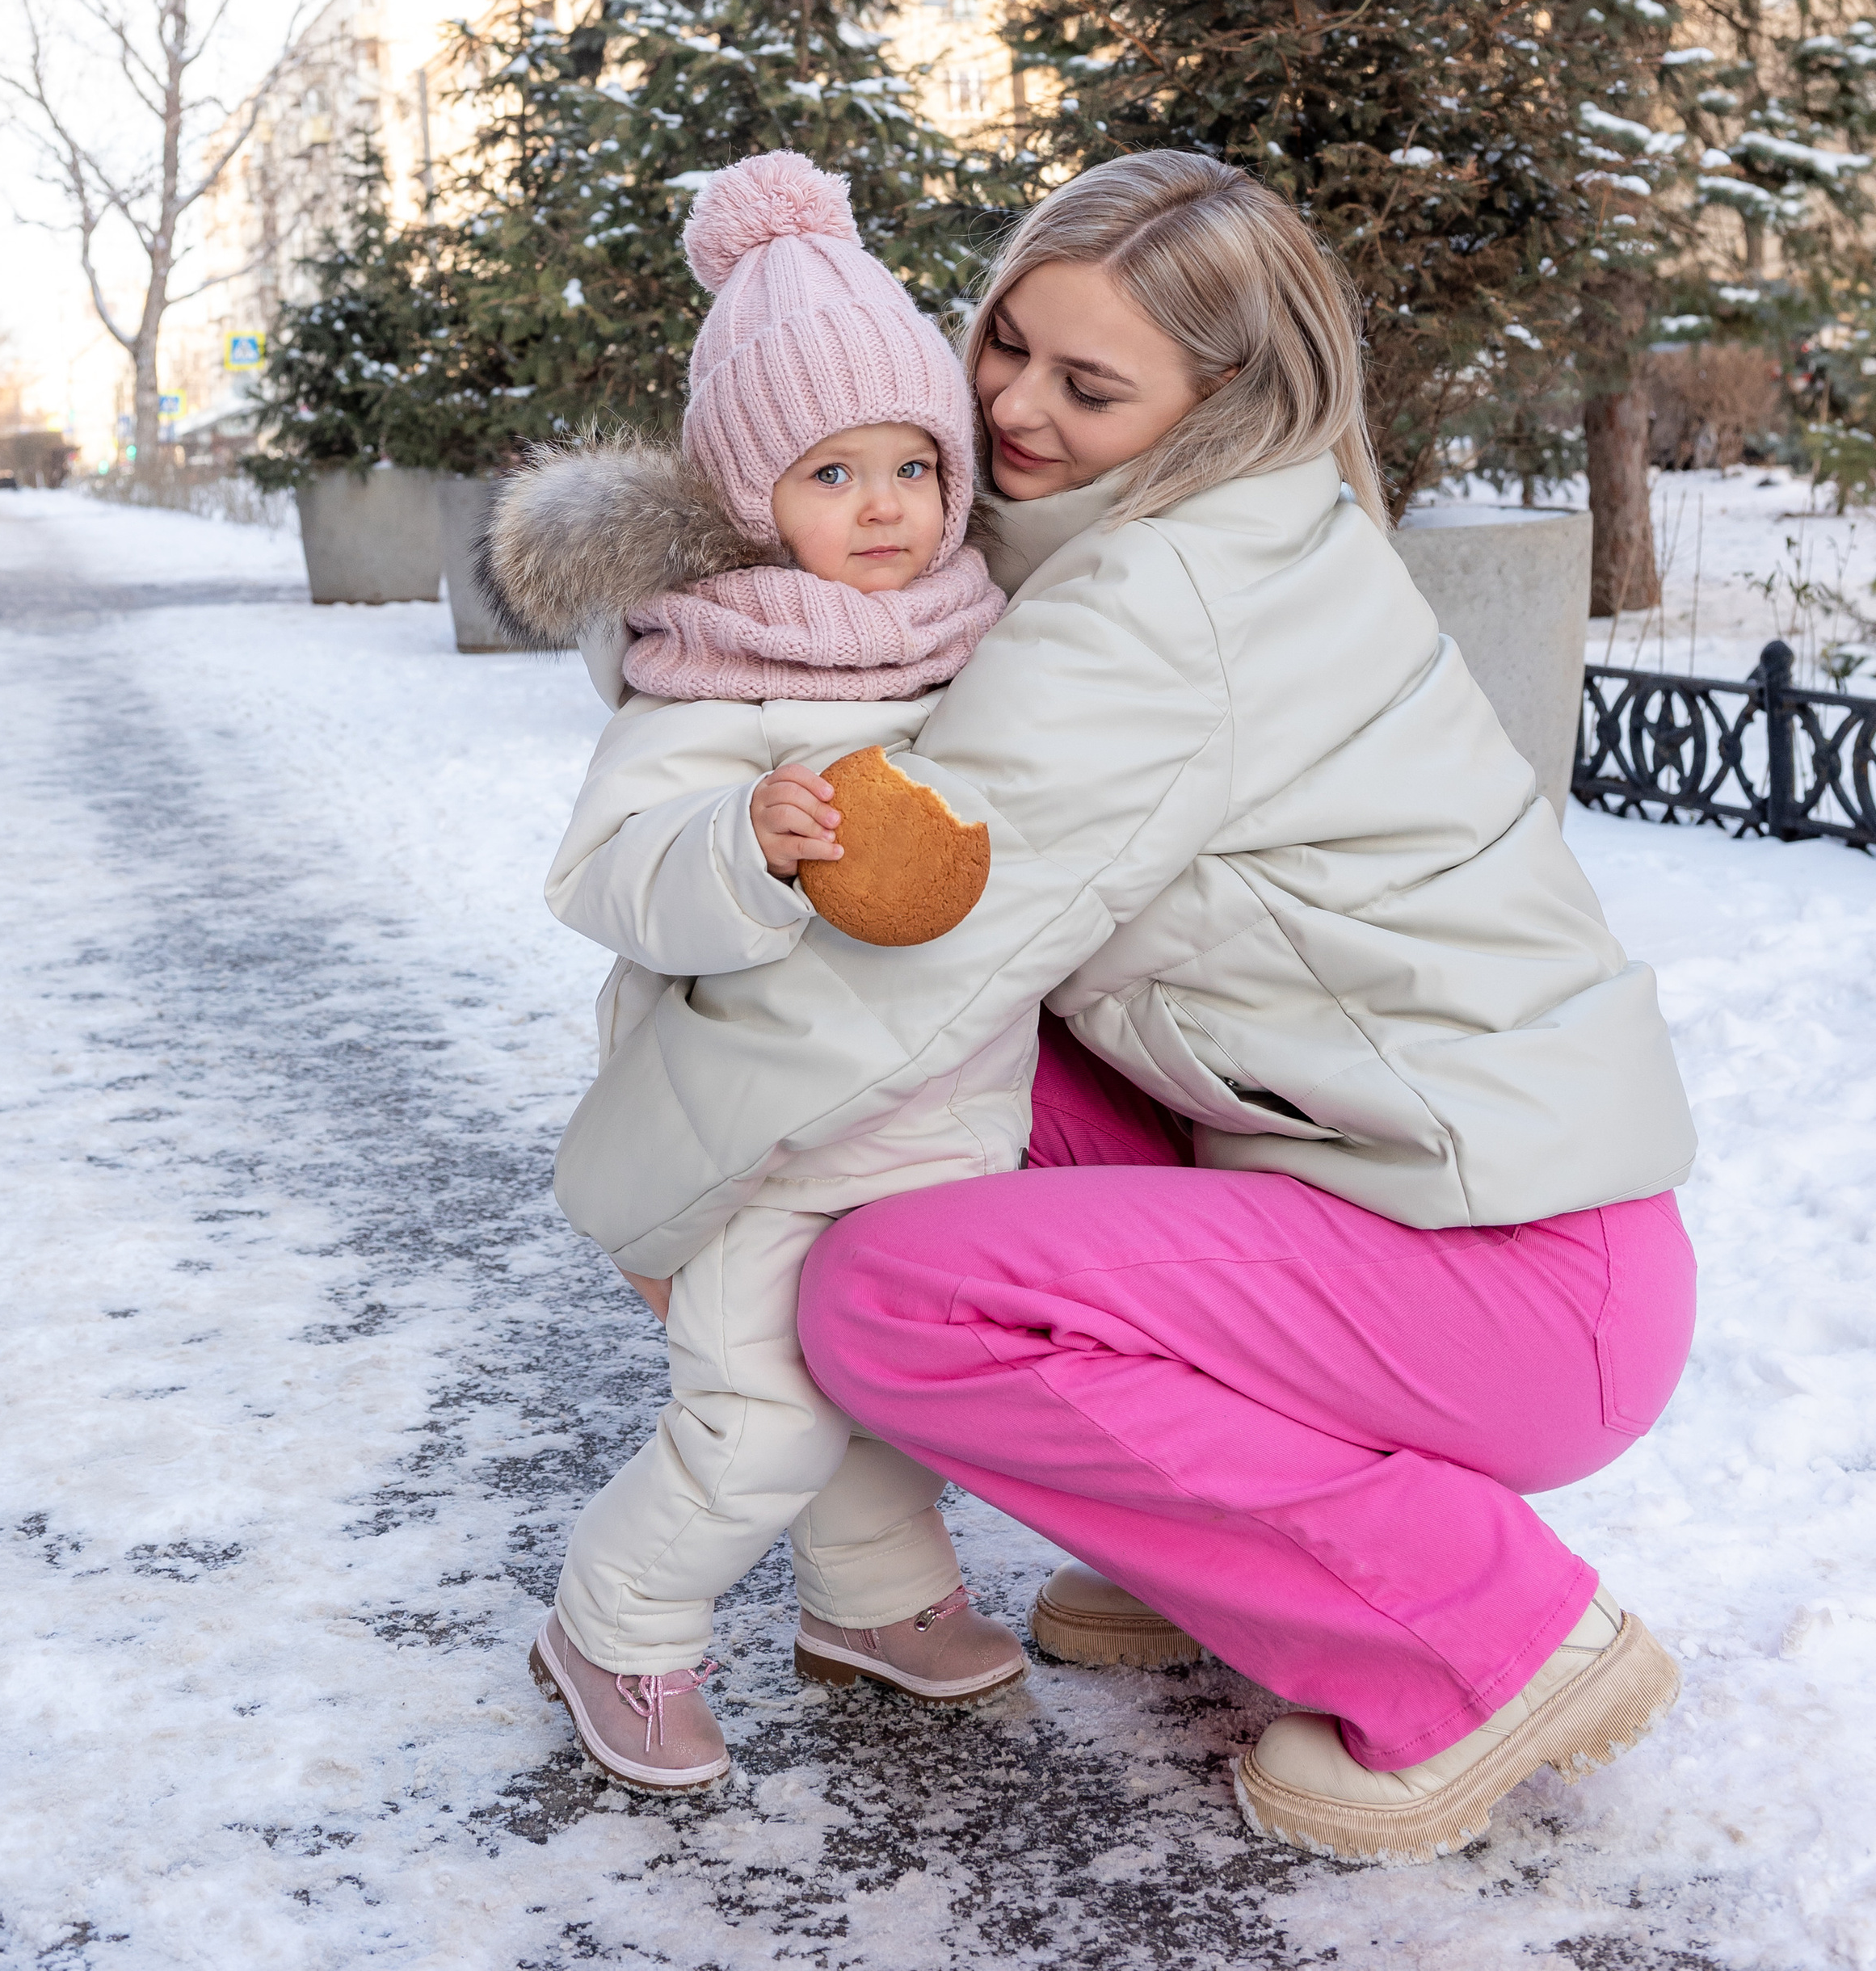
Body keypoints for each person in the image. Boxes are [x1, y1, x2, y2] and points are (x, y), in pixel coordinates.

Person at [559, 150, 1699, 1866]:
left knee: (886, 1285)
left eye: (1086, 386)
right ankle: (1221, 1555)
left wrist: (647, 1194)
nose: (1010, 404)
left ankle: (1487, 1646)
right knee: (937, 1130)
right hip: (1388, 1191)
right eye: (1004, 345)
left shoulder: (1159, 607)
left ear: (1222, 397)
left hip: (1511, 1275)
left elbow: (902, 965)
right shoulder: (1185, 527)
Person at [490, 150, 1034, 1796]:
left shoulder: (976, 634)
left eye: (911, 466)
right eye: (828, 471)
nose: (881, 508)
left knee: (868, 1379)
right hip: (758, 1130)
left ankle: (874, 1599)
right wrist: (743, 840)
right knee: (760, 1416)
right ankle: (615, 1624)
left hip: (937, 1110)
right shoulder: (713, 670)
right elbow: (602, 876)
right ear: (748, 494)